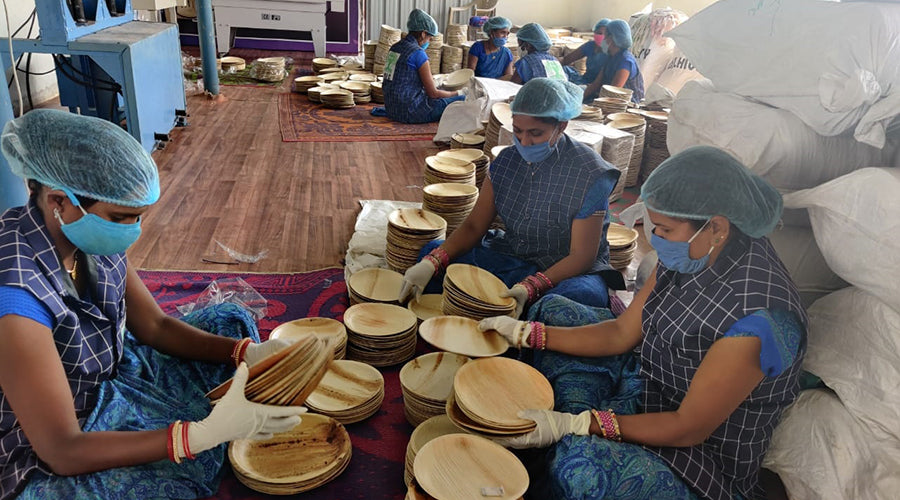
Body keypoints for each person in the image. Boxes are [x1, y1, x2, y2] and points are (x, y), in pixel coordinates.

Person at [0, 110, 305, 499]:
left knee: (230, 321)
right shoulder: (16, 295)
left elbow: (155, 327)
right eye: (122, 218)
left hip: (104, 373)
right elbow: (62, 449)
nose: (133, 230)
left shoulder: (86, 233)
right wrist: (196, 437)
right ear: (60, 201)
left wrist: (245, 353)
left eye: (137, 218)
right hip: (46, 438)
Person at [478, 146, 808, 500]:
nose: (656, 239)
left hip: (697, 454)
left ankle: (566, 428)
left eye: (664, 228)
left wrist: (580, 423)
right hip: (651, 382)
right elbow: (622, 332)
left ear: (716, 228)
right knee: (555, 308)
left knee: (581, 468)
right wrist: (527, 334)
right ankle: (563, 420)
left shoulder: (759, 320)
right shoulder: (693, 251)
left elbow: (686, 428)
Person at [400, 78, 623, 315]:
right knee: (432, 253)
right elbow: (475, 226)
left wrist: (534, 285)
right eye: (517, 131)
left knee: (571, 302)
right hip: (514, 256)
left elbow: (582, 256)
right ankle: (448, 319)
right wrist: (433, 261)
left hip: (566, 271)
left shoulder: (591, 173)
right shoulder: (506, 161)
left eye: (536, 133)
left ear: (562, 126)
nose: (524, 142)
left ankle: (519, 323)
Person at [382, 9, 465, 124]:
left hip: (391, 108)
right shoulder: (418, 54)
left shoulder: (394, 48)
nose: (429, 42)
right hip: (408, 112)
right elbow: (433, 94)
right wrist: (457, 93)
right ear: (423, 34)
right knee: (462, 100)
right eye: (430, 38)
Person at [582, 19, 644, 103]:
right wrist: (578, 99)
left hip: (627, 105)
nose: (603, 39)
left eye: (605, 36)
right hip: (610, 100)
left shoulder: (625, 61)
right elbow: (596, 84)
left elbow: (613, 92)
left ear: (611, 38)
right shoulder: (610, 57)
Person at [560, 18, 610, 87]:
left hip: (598, 86)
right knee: (564, 69)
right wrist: (551, 62)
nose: (602, 36)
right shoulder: (590, 45)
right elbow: (567, 59)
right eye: (599, 33)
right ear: (594, 33)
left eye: (605, 34)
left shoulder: (611, 51)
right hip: (584, 80)